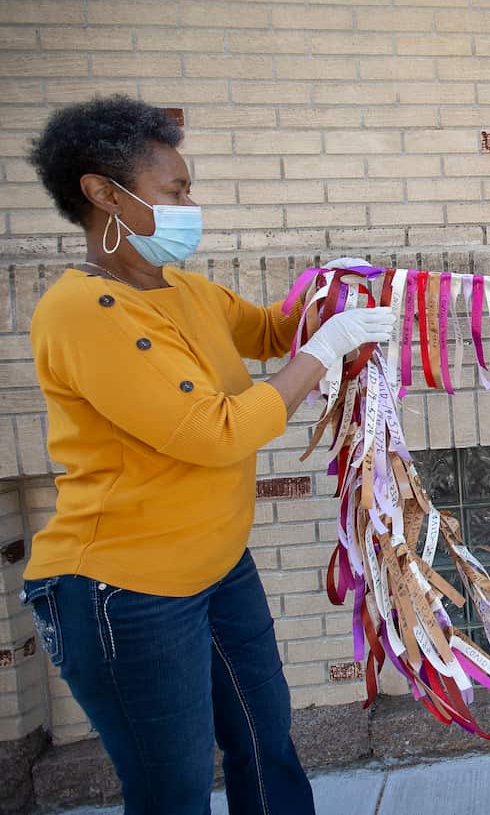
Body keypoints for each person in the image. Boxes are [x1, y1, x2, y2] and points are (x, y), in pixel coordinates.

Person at [19, 95, 392, 815]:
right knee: (173, 791)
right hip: (123, 593)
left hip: (218, 568)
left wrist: (328, 292)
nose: (192, 204)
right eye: (176, 190)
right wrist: (326, 349)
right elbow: (215, 430)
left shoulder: (184, 289)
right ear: (103, 194)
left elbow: (268, 331)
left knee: (265, 743)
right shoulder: (83, 312)